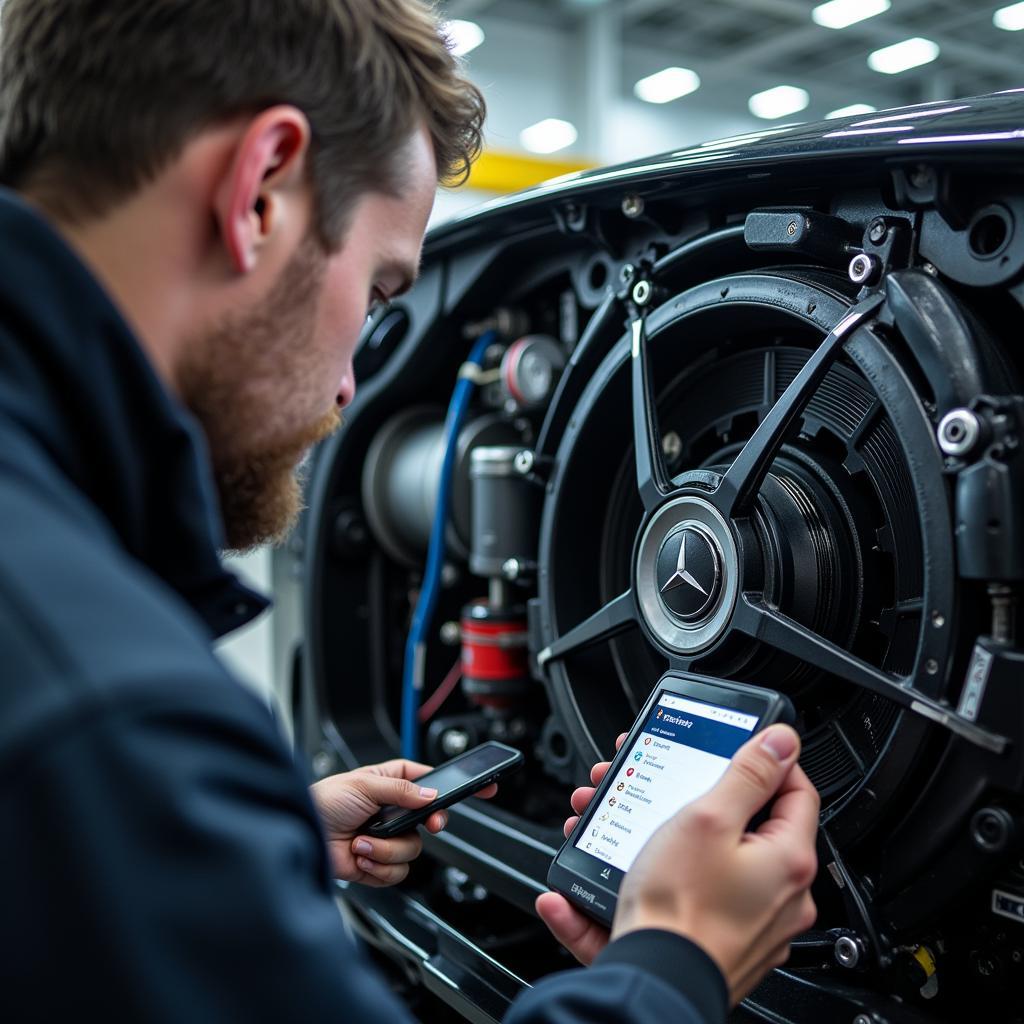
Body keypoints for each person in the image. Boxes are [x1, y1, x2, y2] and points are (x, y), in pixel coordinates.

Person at [0, 0, 819, 1020]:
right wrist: (676, 963)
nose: (351, 387)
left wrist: (238, 839)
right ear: (260, 190)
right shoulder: (107, 712)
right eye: (381, 293)